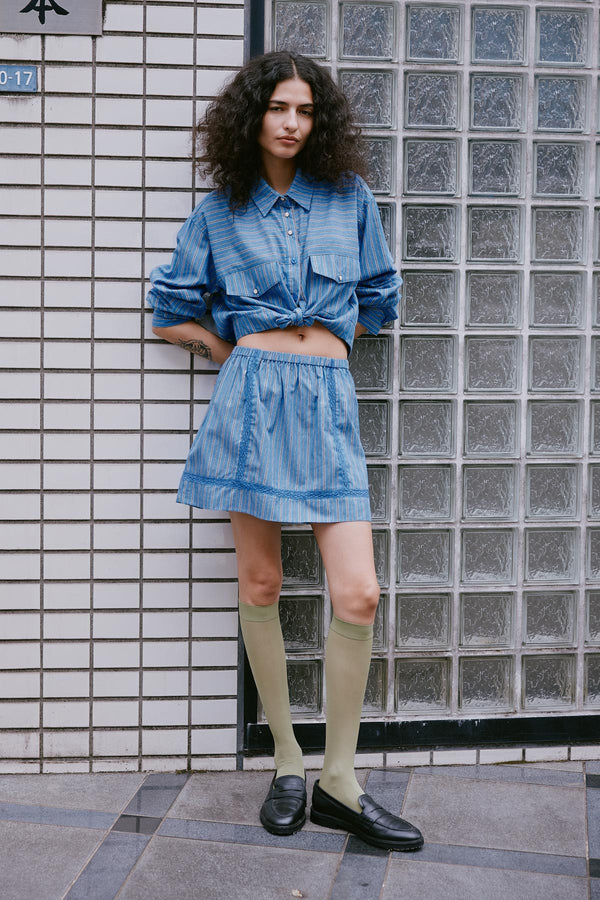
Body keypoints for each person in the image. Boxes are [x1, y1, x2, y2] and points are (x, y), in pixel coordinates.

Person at [146, 50, 423, 852]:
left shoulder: (349, 198)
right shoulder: (219, 211)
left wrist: (323, 355)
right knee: (262, 579)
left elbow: (381, 300)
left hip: (326, 400)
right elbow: (169, 307)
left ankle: (341, 780)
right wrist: (229, 350)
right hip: (251, 403)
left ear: (319, 119)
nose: (292, 123)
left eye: (304, 110)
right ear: (252, 117)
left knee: (359, 592)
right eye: (278, 109)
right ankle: (289, 764)